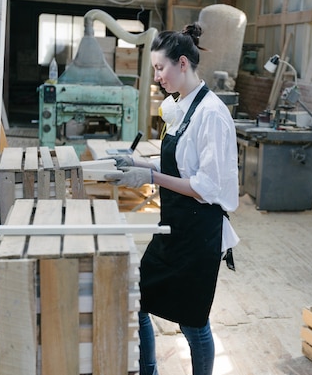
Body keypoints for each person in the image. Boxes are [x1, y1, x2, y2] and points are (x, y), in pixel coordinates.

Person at [104, 22, 240, 375]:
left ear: (182, 64)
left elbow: (204, 187)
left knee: (193, 323)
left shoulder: (211, 114)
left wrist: (150, 177)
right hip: (174, 226)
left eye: (160, 68)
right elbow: (179, 164)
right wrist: (138, 161)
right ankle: (148, 370)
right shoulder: (180, 107)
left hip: (199, 232)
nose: (157, 77)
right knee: (139, 298)